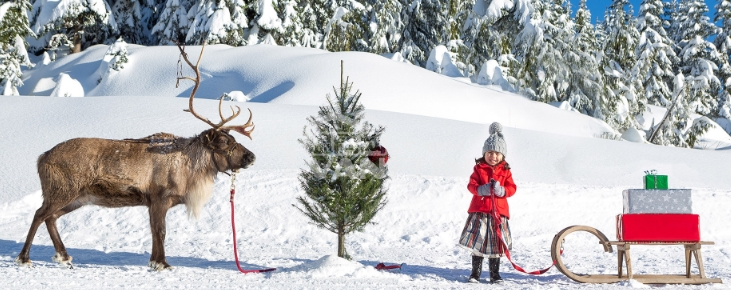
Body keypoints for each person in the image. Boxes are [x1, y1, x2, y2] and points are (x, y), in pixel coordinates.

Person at [458, 122, 516, 283]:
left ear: (503, 155)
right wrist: (481, 189)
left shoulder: (506, 171)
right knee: (479, 243)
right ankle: (475, 273)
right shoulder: (479, 169)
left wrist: (502, 191)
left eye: (497, 153)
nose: (493, 156)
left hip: (498, 215)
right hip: (480, 212)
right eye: (490, 152)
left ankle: (494, 274)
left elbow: (512, 188)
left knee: (495, 245)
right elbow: (471, 185)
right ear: (484, 153)